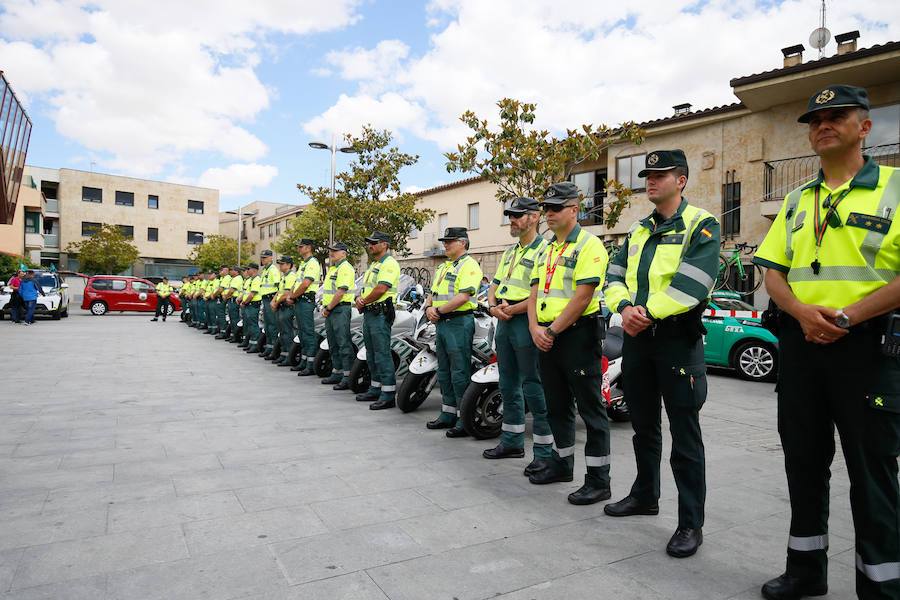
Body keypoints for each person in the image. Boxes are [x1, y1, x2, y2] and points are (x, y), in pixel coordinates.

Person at [752, 85, 900, 600]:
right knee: (804, 463)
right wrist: (799, 313)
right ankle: (805, 571)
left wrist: (847, 315)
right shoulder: (796, 200)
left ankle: (882, 586)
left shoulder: (896, 188)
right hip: (802, 348)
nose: (823, 125)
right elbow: (772, 272)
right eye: (815, 119)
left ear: (865, 127)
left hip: (869, 348)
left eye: (837, 116)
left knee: (872, 472)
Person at [603, 149, 720, 559]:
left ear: (682, 180)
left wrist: (647, 313)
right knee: (644, 427)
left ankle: (691, 523)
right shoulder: (637, 230)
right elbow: (613, 275)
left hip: (675, 340)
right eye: (648, 174)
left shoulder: (701, 223)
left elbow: (695, 281)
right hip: (638, 340)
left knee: (685, 435)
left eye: (661, 174)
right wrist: (624, 308)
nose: (651, 180)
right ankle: (644, 495)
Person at [526, 182, 610, 504]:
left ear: (575, 209)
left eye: (556, 207)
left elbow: (583, 295)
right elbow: (534, 292)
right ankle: (562, 465)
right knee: (556, 406)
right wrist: (535, 327)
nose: (548, 213)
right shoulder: (546, 248)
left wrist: (551, 331)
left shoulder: (590, 245)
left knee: (590, 409)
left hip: (576, 335)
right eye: (546, 208)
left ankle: (599, 479)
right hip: (546, 335)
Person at [483, 197, 554, 473]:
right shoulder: (510, 252)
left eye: (518, 215)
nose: (512, 220)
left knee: (533, 386)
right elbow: (495, 284)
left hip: (527, 320)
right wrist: (492, 306)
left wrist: (511, 309)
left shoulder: (544, 251)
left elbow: (541, 293)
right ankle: (511, 441)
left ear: (534, 217)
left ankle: (544, 451)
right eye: (510, 215)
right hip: (505, 320)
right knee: (508, 382)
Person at [425, 227, 484, 436]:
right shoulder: (443, 267)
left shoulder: (469, 266)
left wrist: (437, 311)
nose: (446, 244)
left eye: (450, 241)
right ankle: (447, 413)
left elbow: (463, 297)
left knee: (460, 372)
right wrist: (428, 308)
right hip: (441, 323)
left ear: (463, 243)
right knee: (444, 371)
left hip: (458, 322)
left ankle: (463, 418)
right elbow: (433, 293)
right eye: (445, 241)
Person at [355, 231, 402, 410]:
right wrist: (359, 299)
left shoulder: (389, 264)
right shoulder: (374, 264)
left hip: (381, 313)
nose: (370, 245)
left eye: (374, 243)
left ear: (385, 244)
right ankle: (375, 388)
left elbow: (381, 288)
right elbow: (367, 288)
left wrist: (363, 301)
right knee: (371, 353)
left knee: (382, 354)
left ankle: (388, 394)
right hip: (369, 313)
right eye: (369, 243)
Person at [320, 242, 356, 390]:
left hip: (339, 309)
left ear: (344, 253)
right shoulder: (334, 268)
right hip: (331, 310)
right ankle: (337, 371)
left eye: (335, 251)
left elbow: (341, 292)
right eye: (331, 251)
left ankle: (348, 376)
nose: (332, 253)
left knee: (343, 343)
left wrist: (328, 308)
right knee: (333, 342)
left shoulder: (346, 268)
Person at [291, 239, 322, 376]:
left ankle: (310, 363)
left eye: (301, 246)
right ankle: (304, 361)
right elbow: (297, 283)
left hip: (305, 301)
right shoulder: (303, 264)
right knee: (302, 333)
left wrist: (292, 296)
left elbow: (305, 284)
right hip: (299, 300)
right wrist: (291, 295)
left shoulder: (312, 263)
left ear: (309, 247)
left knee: (308, 333)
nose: (299, 248)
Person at [271, 256, 297, 365]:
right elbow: (279, 291)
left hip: (286, 307)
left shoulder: (291, 276)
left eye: (282, 264)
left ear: (288, 265)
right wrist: (273, 300)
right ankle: (284, 354)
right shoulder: (284, 276)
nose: (280, 266)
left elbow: (287, 293)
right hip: (280, 306)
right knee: (282, 333)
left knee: (287, 332)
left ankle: (289, 356)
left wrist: (276, 303)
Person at [258, 250, 282, 356]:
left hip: (271, 298)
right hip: (265, 299)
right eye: (262, 257)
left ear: (271, 258)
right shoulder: (265, 270)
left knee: (272, 325)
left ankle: (274, 350)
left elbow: (278, 287)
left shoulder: (273, 270)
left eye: (265, 257)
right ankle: (269, 347)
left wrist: (275, 301)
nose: (263, 259)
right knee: (267, 325)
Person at [239, 263, 262, 352]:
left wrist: (244, 302)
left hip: (253, 304)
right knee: (250, 325)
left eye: (249, 269)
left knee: (253, 325)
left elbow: (252, 294)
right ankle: (251, 343)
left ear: (254, 270)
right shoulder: (251, 280)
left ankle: (255, 345)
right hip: (249, 304)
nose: (247, 271)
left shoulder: (256, 279)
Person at [225, 266, 244, 342]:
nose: (230, 271)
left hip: (234, 300)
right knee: (232, 319)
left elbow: (232, 290)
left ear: (236, 271)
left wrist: (226, 296)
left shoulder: (237, 279)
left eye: (231, 270)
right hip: (232, 299)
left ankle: (236, 336)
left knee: (234, 318)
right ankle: (233, 335)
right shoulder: (234, 278)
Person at [214, 266, 232, 339]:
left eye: (222, 270)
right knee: (220, 315)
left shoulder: (227, 278)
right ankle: (222, 331)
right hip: (222, 298)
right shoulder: (222, 278)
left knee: (221, 316)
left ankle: (223, 332)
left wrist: (214, 295)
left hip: (224, 298)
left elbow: (220, 289)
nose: (220, 272)